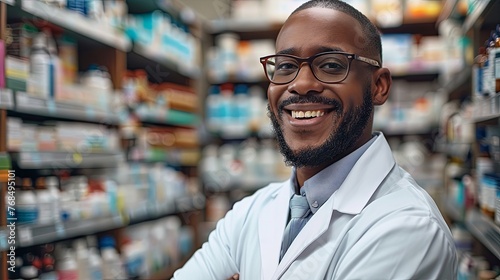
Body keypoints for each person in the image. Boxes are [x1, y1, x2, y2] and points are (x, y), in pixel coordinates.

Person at [173, 0, 457, 279]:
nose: (300, 84)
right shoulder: (250, 212)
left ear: (378, 86)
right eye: (285, 65)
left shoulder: (407, 228)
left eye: (331, 65)